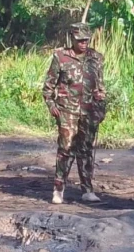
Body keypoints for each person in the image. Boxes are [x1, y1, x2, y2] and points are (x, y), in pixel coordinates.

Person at [42, 23, 106, 204]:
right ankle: (58, 188)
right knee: (66, 149)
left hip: (89, 111)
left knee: (86, 150)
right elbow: (48, 87)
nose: (83, 43)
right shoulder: (61, 57)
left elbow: (100, 87)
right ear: (73, 39)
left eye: (86, 40)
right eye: (80, 40)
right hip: (67, 110)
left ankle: (87, 189)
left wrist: (101, 108)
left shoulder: (96, 58)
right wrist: (51, 105)